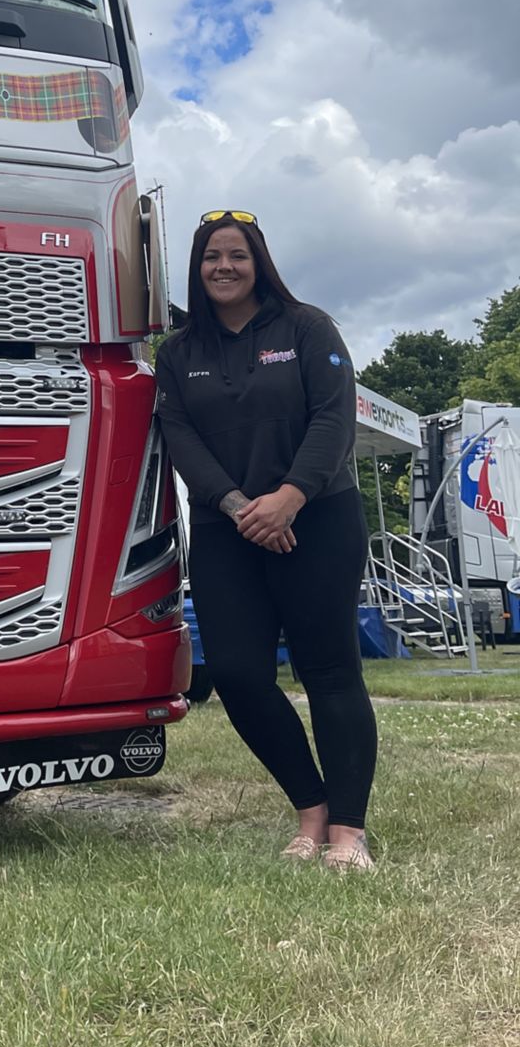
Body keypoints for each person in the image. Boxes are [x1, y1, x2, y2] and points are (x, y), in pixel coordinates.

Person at [154, 211, 377, 871]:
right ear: (196, 269)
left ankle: (348, 831)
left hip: (319, 519)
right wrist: (240, 507)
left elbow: (334, 418)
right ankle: (311, 807)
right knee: (238, 675)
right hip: (226, 530)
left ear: (259, 264)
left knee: (329, 671)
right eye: (211, 257)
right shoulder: (178, 353)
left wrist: (289, 498)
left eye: (237, 255)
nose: (223, 267)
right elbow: (179, 438)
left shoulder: (308, 328)